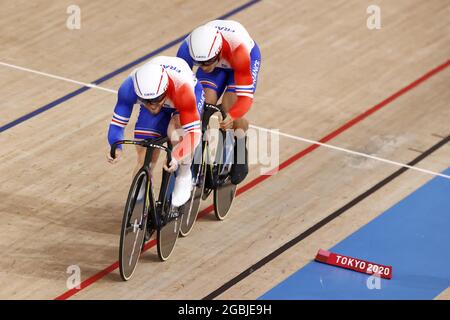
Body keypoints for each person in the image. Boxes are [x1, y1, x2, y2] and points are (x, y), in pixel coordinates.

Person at [106, 56, 204, 207]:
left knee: (176, 132)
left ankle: (184, 175)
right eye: (146, 101)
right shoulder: (129, 87)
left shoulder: (182, 89)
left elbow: (194, 134)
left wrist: (176, 156)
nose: (152, 106)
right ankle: (143, 194)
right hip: (165, 97)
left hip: (183, 99)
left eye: (156, 99)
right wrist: (116, 147)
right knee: (145, 153)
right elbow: (117, 124)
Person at [177, 19, 261, 185]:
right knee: (202, 106)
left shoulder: (239, 50)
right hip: (219, 63)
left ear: (217, 52)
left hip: (242, 62)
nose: (202, 66)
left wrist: (233, 114)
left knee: (231, 107)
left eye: (206, 62)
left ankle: (240, 144)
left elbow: (245, 99)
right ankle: (201, 156)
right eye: (198, 63)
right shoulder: (187, 48)